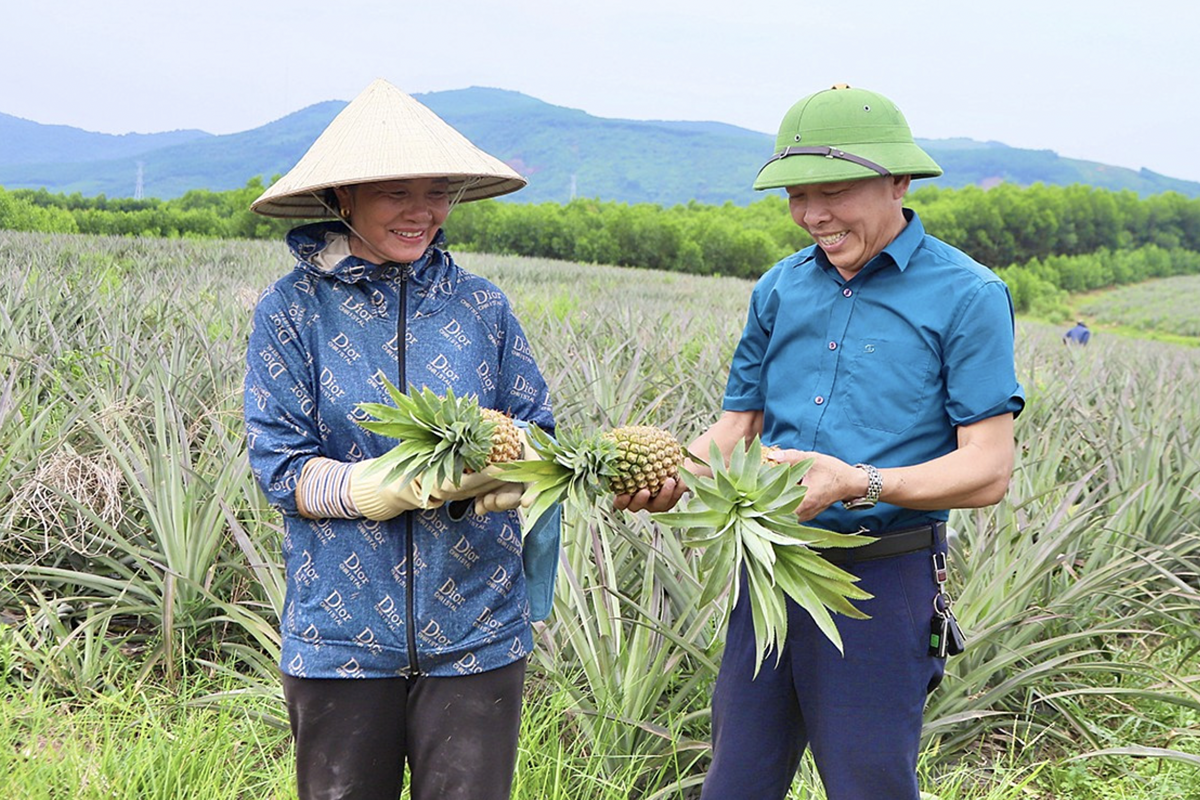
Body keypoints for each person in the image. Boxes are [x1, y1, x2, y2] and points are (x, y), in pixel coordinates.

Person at [620, 84, 1026, 799]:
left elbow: (988, 469)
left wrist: (857, 481)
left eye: (833, 191)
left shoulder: (967, 295)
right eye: (797, 196)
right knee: (736, 783)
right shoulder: (780, 288)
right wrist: (667, 474)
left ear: (899, 182)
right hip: (771, 568)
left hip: (883, 577)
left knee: (868, 786)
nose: (814, 215)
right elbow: (736, 428)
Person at [244, 78, 559, 800]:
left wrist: (519, 469)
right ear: (343, 197)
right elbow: (278, 466)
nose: (422, 212)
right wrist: (370, 487)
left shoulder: (482, 305)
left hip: (478, 629)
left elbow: (535, 424)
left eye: (437, 191)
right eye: (395, 192)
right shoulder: (293, 310)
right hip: (339, 635)